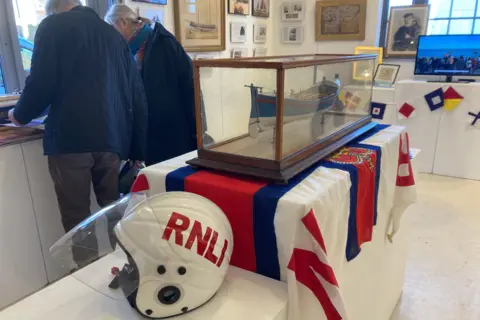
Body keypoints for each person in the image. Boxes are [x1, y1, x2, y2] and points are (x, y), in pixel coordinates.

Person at [8, 0, 148, 266]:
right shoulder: (113, 35)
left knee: (78, 219)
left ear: (53, 10)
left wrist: (19, 115)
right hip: (111, 141)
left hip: (70, 141)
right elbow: (136, 95)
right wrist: (137, 150)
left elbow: (40, 81)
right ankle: (126, 269)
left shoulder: (53, 26)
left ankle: (87, 278)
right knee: (112, 209)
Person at [105, 4, 197, 166]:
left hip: (171, 134)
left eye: (110, 29)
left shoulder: (164, 42)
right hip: (150, 135)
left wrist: (197, 132)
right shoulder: (131, 51)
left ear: (122, 23)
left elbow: (191, 86)